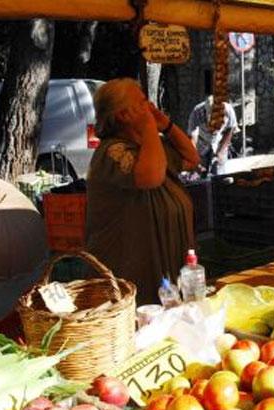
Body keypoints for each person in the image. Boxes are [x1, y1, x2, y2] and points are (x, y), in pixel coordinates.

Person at [85, 78, 200, 304]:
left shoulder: (149, 147)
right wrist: (149, 126)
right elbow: (151, 177)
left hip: (168, 259)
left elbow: (191, 158)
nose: (148, 107)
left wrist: (165, 124)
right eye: (141, 103)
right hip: (132, 264)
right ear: (122, 115)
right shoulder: (112, 151)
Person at [188, 74, 238, 176]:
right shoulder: (197, 112)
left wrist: (220, 152)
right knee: (200, 177)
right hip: (201, 146)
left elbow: (230, 130)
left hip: (218, 143)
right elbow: (193, 137)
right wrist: (194, 159)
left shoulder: (228, 111)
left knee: (219, 176)